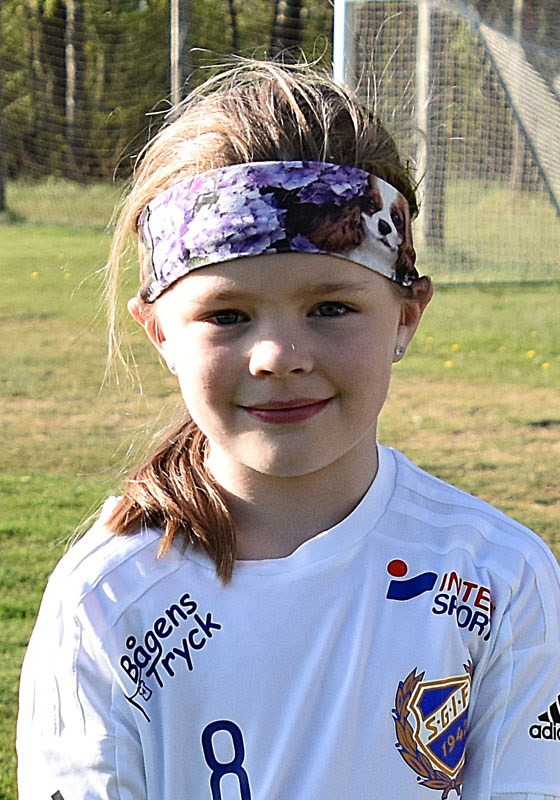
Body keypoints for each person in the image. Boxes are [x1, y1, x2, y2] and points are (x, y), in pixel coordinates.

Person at [17, 60, 560, 800]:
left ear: (406, 317)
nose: (279, 356)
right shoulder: (108, 599)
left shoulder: (501, 576)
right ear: (160, 332)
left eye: (331, 308)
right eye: (227, 315)